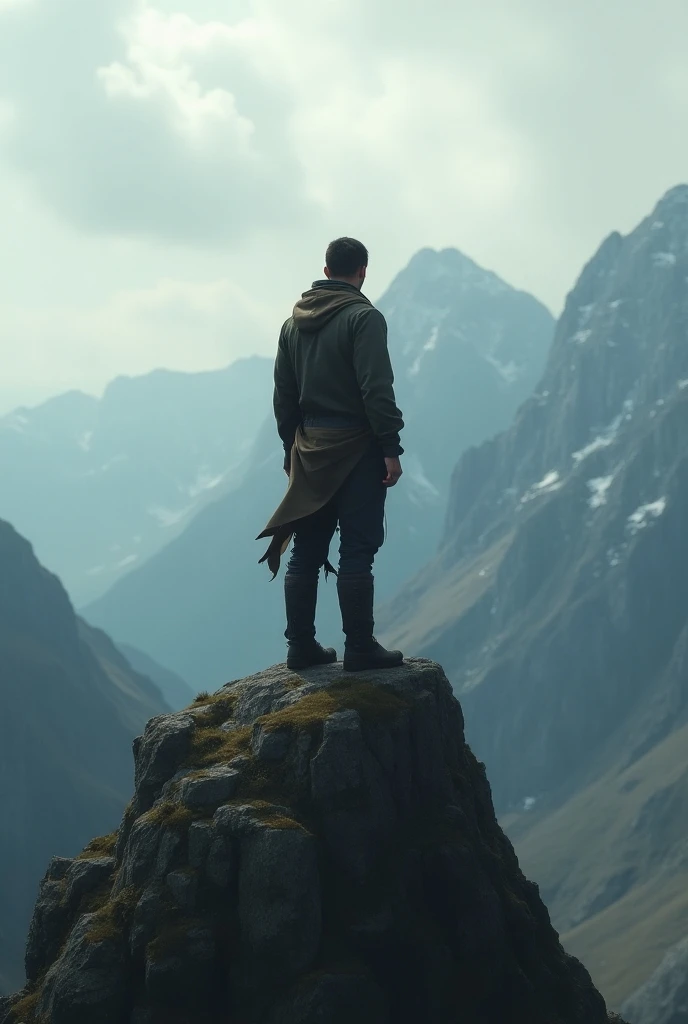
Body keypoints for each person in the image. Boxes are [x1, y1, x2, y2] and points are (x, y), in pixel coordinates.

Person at [257, 237, 405, 673]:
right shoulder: (364, 318)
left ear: (325, 272)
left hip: (309, 451)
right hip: (357, 449)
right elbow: (376, 390)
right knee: (357, 550)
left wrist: (291, 449)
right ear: (362, 272)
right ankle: (359, 647)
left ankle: (300, 647)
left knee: (306, 549)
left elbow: (283, 396)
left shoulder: (291, 324)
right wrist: (390, 448)